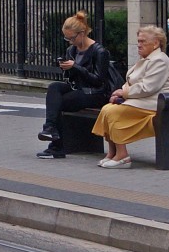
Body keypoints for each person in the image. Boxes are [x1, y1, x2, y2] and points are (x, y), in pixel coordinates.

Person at [91, 25, 169, 169]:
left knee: (114, 113)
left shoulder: (160, 60)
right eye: (138, 41)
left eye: (143, 41)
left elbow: (148, 87)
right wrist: (118, 93)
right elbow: (130, 82)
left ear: (156, 43)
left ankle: (123, 156)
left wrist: (123, 93)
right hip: (140, 102)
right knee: (107, 109)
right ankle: (113, 152)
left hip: (153, 105)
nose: (139, 44)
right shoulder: (146, 59)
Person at [36, 11, 112, 159]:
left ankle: (56, 145)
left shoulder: (99, 51)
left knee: (58, 103)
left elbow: (98, 80)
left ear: (82, 33)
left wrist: (76, 67)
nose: (70, 42)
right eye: (67, 38)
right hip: (78, 88)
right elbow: (71, 79)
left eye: (72, 38)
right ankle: (50, 128)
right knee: (54, 87)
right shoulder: (71, 50)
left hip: (95, 92)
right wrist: (66, 68)